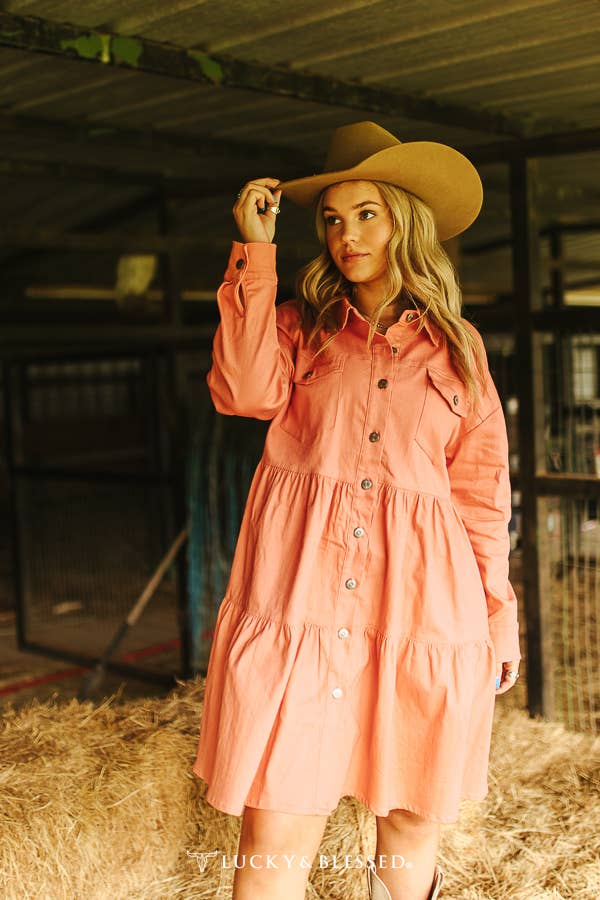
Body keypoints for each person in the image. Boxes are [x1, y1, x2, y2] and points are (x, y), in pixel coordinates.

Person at [192, 121, 522, 900]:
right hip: (300, 604)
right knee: (275, 825)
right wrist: (256, 251)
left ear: (404, 220)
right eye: (333, 219)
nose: (345, 234)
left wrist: (497, 616)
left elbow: (481, 496)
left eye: (366, 213)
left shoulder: (459, 349)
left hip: (421, 612)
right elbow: (242, 392)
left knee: (409, 822)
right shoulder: (300, 327)